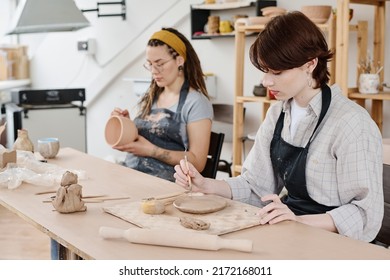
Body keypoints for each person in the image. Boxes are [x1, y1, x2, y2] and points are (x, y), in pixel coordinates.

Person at [174, 11, 384, 242]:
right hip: (291, 227)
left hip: (336, 242)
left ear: (310, 64)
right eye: (264, 71)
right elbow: (256, 186)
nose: (266, 81)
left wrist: (298, 220)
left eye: (276, 72)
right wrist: (206, 184)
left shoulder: (351, 123)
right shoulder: (278, 113)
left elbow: (365, 214)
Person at [111, 27, 213, 182]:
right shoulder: (153, 95)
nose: (153, 71)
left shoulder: (196, 103)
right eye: (150, 64)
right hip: (132, 175)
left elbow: (198, 163)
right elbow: (148, 135)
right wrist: (126, 125)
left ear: (179, 60)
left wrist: (150, 151)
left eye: (160, 63)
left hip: (165, 185)